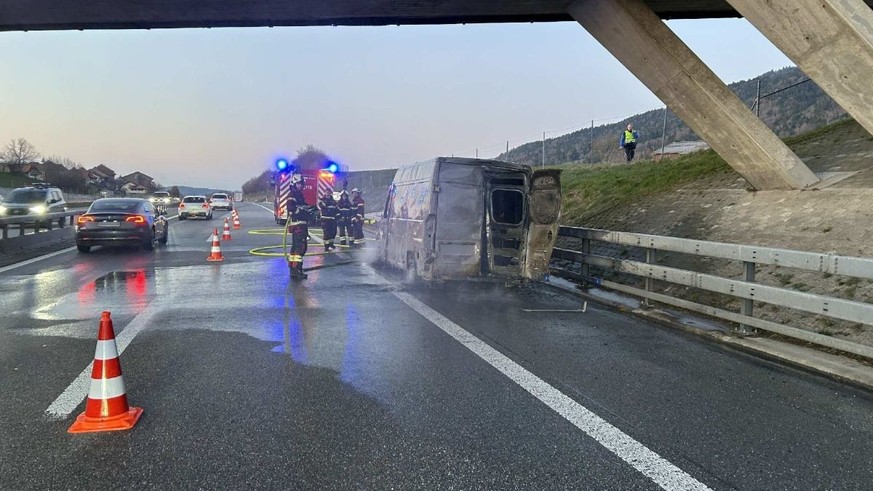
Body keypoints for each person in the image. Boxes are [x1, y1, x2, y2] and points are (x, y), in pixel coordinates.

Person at [286, 175, 311, 279]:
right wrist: (301, 211)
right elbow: (291, 207)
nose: (301, 186)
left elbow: (304, 206)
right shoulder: (292, 194)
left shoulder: (299, 194)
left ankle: (294, 269)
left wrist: (311, 209)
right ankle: (296, 270)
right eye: (299, 184)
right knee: (300, 248)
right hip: (298, 225)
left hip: (301, 225)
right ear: (295, 184)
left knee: (297, 248)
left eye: (302, 184)